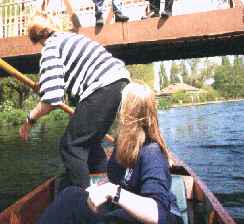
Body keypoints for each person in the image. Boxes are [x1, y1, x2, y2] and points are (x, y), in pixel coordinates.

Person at [36, 81, 184, 224]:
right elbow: (113, 178)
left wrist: (113, 192)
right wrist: (91, 190)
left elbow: (157, 214)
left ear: (127, 113)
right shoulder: (123, 142)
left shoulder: (153, 155)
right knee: (71, 195)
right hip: (127, 212)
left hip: (159, 218)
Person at [19, 10, 130, 189]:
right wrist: (44, 86)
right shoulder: (67, 39)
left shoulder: (50, 48)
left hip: (103, 86)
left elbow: (52, 100)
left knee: (71, 146)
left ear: (34, 34)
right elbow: (60, 82)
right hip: (120, 83)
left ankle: (84, 205)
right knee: (91, 145)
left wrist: (29, 119)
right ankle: (104, 190)